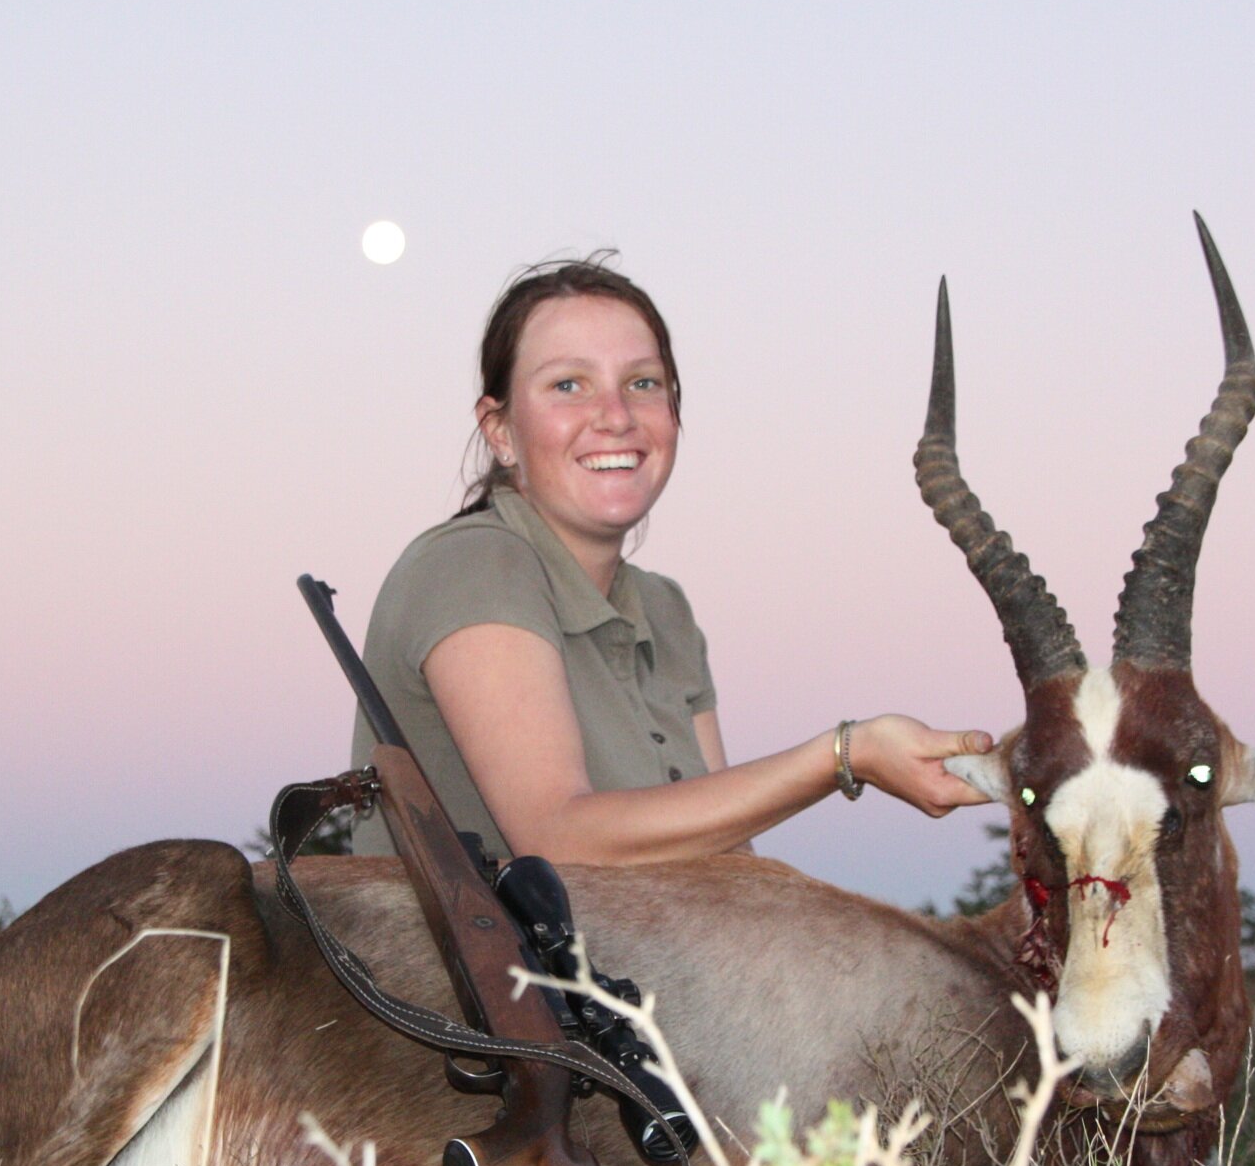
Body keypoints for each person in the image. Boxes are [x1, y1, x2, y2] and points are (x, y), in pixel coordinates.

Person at [349, 254, 993, 866]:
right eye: (568, 385)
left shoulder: (664, 609)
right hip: (460, 984)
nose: (615, 416)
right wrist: (846, 755)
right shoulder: (472, 565)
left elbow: (726, 858)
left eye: (643, 383)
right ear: (499, 430)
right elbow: (557, 838)